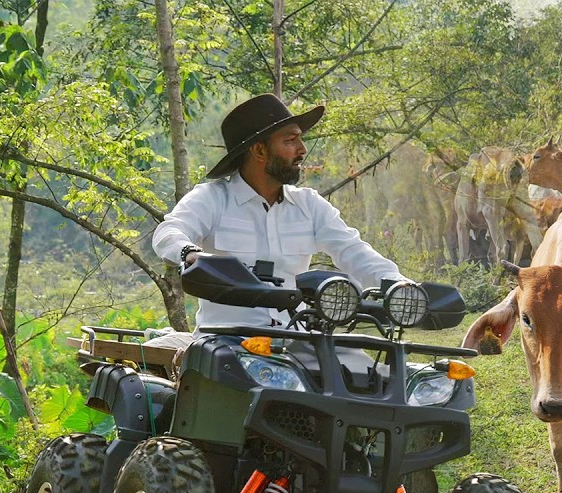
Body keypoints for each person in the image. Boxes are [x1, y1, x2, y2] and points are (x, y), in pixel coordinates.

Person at [153, 93, 408, 329]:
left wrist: (397, 285)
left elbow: (354, 251)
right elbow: (168, 232)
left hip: (297, 337)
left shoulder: (309, 205)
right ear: (259, 150)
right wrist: (190, 253)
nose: (302, 150)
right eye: (290, 140)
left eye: (300, 139)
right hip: (227, 342)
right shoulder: (212, 199)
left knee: (367, 363)